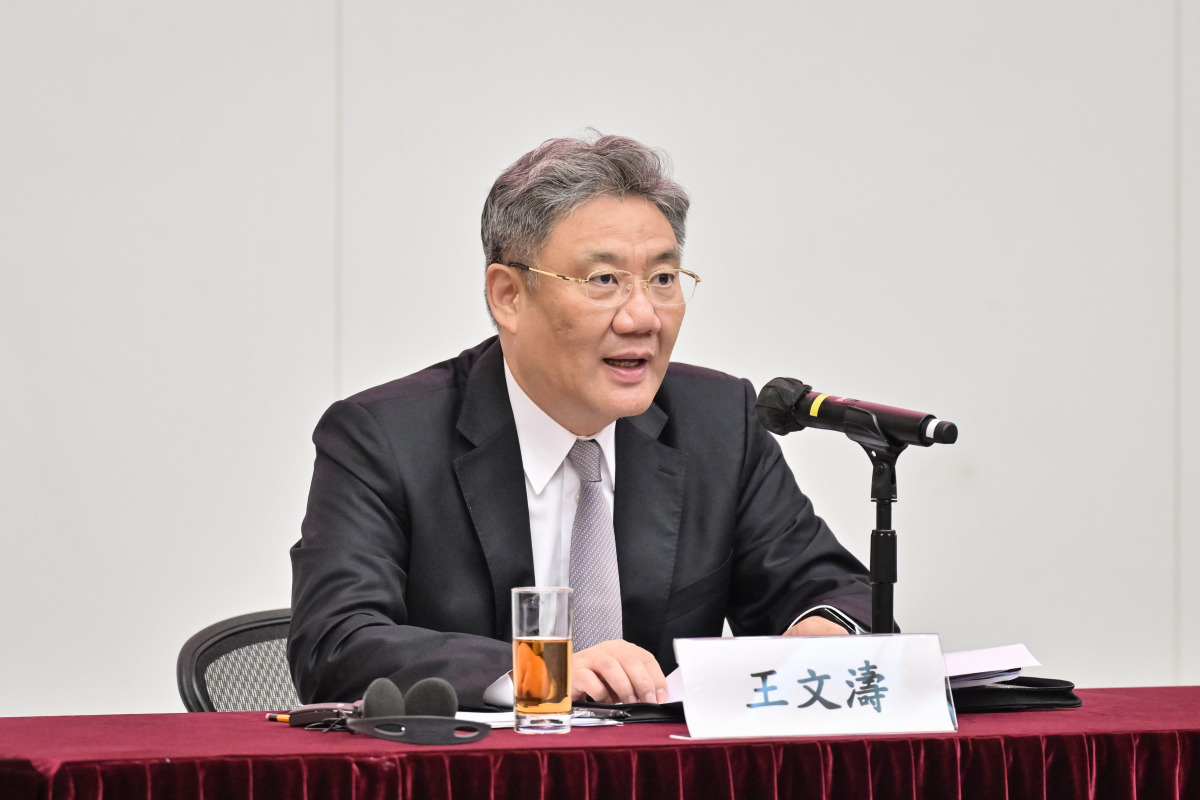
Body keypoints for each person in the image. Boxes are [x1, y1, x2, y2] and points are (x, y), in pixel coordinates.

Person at [288, 134, 872, 710]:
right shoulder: (384, 437)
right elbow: (336, 645)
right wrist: (541, 673)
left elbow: (838, 592)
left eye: (663, 279)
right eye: (604, 281)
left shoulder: (718, 423)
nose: (642, 317)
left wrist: (821, 634)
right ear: (508, 295)